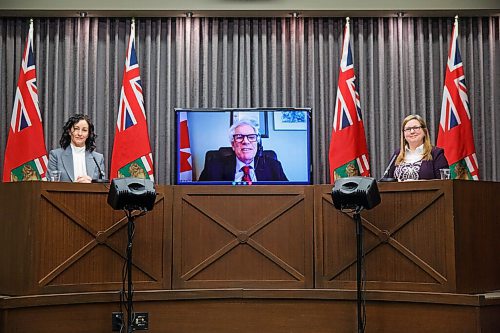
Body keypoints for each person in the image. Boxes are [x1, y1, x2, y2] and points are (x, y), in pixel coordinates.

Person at [198, 119, 288, 182]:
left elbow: (289, 197)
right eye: (239, 137)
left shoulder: (274, 166)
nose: (245, 141)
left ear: (257, 142)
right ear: (233, 144)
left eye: (251, 137)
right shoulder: (213, 167)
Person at [385, 114, 448, 181]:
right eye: (408, 129)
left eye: (416, 128)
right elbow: (387, 181)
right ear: (403, 134)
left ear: (424, 131)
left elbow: (444, 183)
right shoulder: (397, 154)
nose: (412, 131)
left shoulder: (436, 153)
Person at [48, 114, 106, 183]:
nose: (80, 133)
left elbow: (103, 187)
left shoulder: (98, 158)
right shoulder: (56, 155)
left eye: (84, 130)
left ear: (88, 134)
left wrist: (91, 184)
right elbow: (50, 184)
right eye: (76, 129)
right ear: (69, 131)